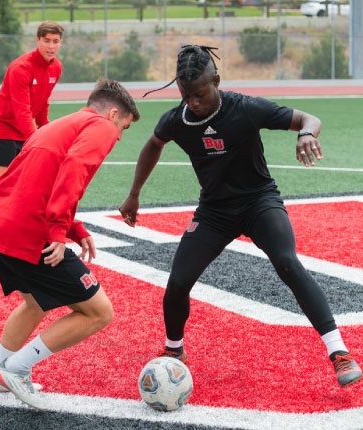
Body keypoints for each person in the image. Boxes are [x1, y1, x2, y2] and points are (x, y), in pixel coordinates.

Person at [119, 45, 362, 388]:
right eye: (185, 94)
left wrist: (307, 133)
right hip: (215, 211)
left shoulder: (247, 108)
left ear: (216, 80)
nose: (193, 102)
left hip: (258, 203)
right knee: (177, 282)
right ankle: (175, 350)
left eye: (200, 93)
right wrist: (133, 194)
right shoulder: (177, 120)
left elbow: (309, 119)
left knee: (287, 262)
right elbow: (153, 145)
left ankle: (339, 352)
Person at [0, 78, 140, 409]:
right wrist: (60, 230)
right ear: (113, 113)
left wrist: (74, 228)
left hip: (1, 224)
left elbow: (39, 177)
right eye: (123, 128)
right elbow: (74, 168)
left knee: (34, 303)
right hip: (31, 231)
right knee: (99, 311)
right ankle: (16, 369)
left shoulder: (61, 123)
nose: (118, 136)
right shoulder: (100, 127)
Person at [0, 21, 64, 182]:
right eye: (46, 40)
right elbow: (22, 110)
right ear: (37, 40)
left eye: (55, 41)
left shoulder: (56, 67)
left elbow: (43, 100)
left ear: (61, 42)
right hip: (4, 131)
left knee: (25, 186)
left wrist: (45, 128)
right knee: (5, 187)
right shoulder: (20, 68)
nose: (51, 46)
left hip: (24, 133)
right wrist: (36, 139)